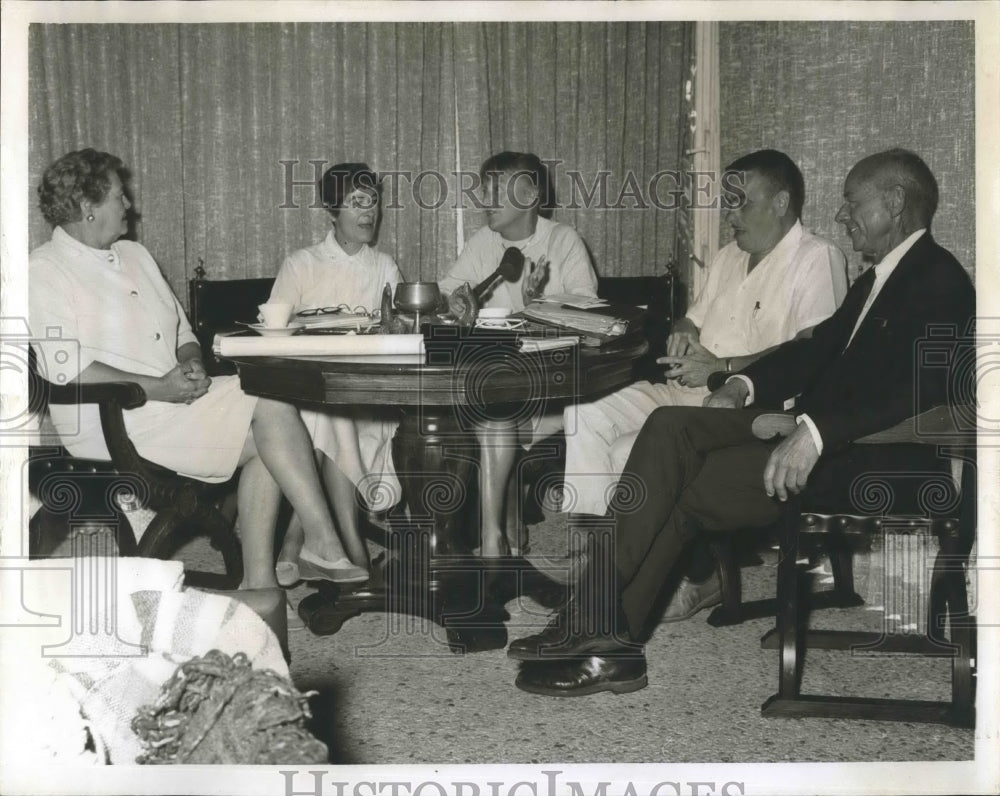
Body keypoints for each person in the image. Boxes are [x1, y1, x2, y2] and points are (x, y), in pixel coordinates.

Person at [508, 148, 975, 697]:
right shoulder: (878, 280)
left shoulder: (939, 279)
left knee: (680, 481)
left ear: (895, 202)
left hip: (867, 460)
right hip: (813, 432)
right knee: (670, 428)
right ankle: (602, 630)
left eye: (853, 203)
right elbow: (813, 351)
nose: (843, 217)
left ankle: (602, 634)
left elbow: (918, 389)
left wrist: (815, 431)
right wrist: (740, 385)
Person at [29, 148, 364, 590]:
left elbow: (184, 331)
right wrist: (157, 388)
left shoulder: (134, 254)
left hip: (173, 404)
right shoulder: (43, 270)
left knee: (269, 414)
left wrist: (189, 362)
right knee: (268, 413)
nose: (129, 204)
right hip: (112, 423)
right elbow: (64, 369)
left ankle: (260, 585)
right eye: (118, 196)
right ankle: (319, 542)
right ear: (89, 210)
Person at [561, 150, 848, 619]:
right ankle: (598, 554)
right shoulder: (728, 257)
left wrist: (724, 368)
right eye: (727, 202)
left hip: (754, 407)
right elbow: (691, 317)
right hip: (691, 390)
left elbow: (813, 352)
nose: (729, 215)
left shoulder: (817, 258)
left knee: (626, 454)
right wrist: (685, 332)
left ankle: (691, 575)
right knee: (583, 413)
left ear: (781, 202)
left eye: (741, 202)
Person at [439, 151, 599, 558]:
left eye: (496, 190)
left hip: (554, 390)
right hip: (501, 384)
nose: (484, 198)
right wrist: (455, 303)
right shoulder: (483, 242)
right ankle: (492, 535)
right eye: (484, 189)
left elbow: (590, 314)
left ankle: (499, 529)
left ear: (531, 197)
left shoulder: (563, 241)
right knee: (482, 407)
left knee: (491, 406)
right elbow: (449, 292)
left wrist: (542, 302)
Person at [268, 163, 403, 585]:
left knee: (333, 415)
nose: (368, 213)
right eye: (356, 203)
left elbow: (400, 332)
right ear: (332, 210)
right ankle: (349, 546)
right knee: (324, 414)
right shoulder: (302, 263)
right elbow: (274, 331)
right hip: (312, 390)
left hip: (372, 393)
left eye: (373, 202)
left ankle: (298, 542)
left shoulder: (384, 266)